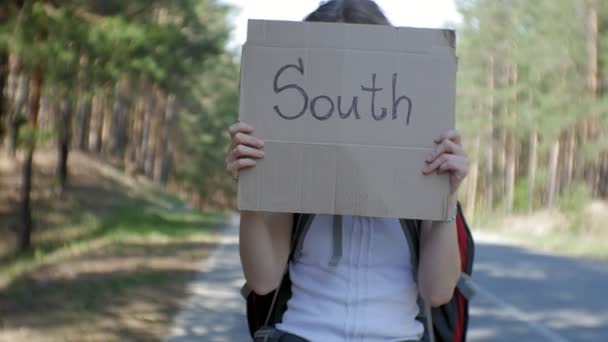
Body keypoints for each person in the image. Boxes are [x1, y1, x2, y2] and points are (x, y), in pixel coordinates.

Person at [225, 1, 470, 341]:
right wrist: (251, 191)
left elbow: (438, 292)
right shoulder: (295, 166)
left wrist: (447, 196)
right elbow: (263, 280)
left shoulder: (421, 164)